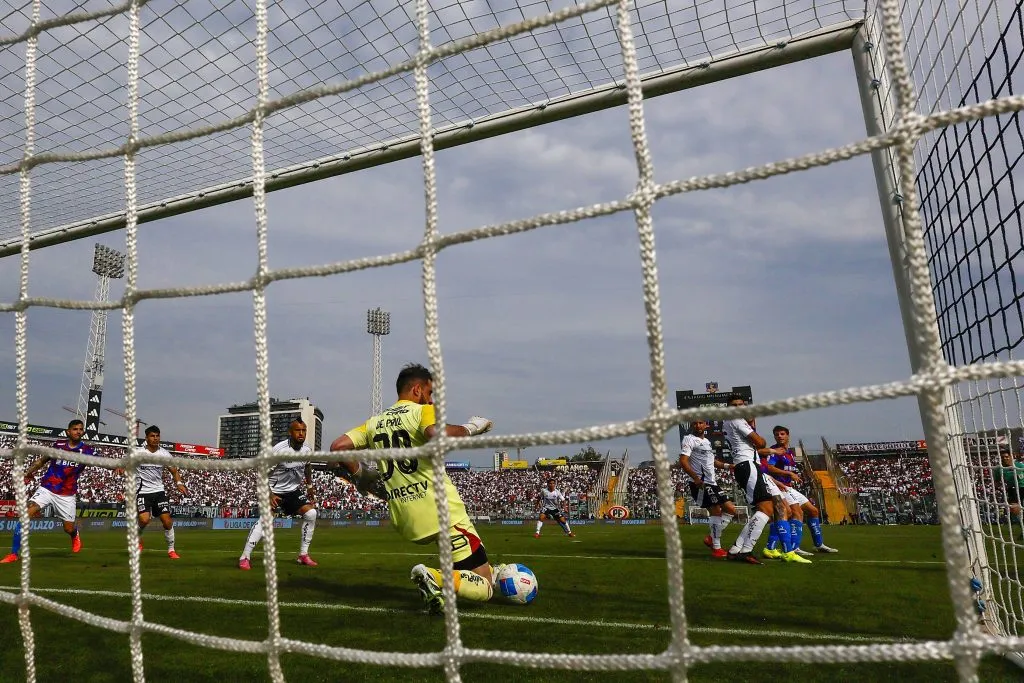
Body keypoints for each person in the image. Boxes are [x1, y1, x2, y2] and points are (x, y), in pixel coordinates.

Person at [330, 362, 496, 614]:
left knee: (473, 570)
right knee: (486, 585)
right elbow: (435, 433)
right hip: (445, 513)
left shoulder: (374, 423)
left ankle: (447, 578)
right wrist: (473, 427)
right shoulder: (422, 412)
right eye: (429, 394)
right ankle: (434, 577)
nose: (431, 401)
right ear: (417, 390)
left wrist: (361, 474)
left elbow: (337, 447)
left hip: (407, 520)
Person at [722, 398, 809, 565]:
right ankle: (747, 550)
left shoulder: (732, 421)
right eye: (735, 406)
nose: (739, 408)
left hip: (752, 466)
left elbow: (757, 446)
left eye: (742, 405)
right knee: (766, 509)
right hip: (747, 465)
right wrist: (762, 441)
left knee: (780, 507)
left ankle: (736, 549)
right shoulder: (736, 419)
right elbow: (760, 442)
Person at [1, 420, 92, 563]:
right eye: (75, 429)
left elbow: (103, 461)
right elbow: (42, 461)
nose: (78, 431)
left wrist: (118, 467)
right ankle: (14, 553)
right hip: (47, 488)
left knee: (68, 528)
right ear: (68, 432)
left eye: (81, 429)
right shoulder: (58, 446)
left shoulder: (87, 451)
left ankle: (74, 534)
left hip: (66, 495)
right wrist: (28, 472)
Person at [238, 419, 319, 569]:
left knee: (311, 514)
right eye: (297, 430)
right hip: (272, 490)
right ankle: (244, 557)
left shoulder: (307, 450)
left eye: (304, 430)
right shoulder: (278, 450)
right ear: (290, 432)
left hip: (292, 491)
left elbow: (308, 466)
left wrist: (309, 486)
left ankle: (303, 555)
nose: (301, 433)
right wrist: (269, 495)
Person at [761, 425, 837, 555]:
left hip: (789, 487)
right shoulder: (774, 451)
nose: (780, 436)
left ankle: (819, 544)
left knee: (813, 511)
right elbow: (768, 467)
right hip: (780, 487)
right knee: (796, 513)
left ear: (788, 436)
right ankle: (794, 547)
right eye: (777, 434)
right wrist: (787, 474)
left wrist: (791, 475)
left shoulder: (790, 453)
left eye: (782, 434)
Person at [126, 425, 187, 559]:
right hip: (142, 491)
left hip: (159, 491)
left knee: (167, 521)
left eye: (157, 436)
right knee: (144, 519)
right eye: (152, 436)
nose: (155, 438)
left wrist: (179, 483)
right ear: (146, 438)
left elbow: (174, 471)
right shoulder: (138, 453)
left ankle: (171, 550)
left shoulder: (164, 454)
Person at [678, 418, 737, 558]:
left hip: (712, 482)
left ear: (706, 425)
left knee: (731, 510)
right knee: (716, 510)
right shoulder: (689, 439)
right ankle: (717, 548)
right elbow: (683, 460)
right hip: (701, 483)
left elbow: (713, 461)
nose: (697, 425)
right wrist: (696, 478)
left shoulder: (707, 442)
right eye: (695, 423)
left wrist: (729, 466)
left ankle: (711, 538)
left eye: (700, 423)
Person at [999, 451, 1024, 537]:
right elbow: (997, 480)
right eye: (1002, 457)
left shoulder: (1019, 465)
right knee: (1014, 510)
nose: (1004, 458)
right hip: (1012, 490)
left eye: (1006, 456)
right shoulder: (1000, 468)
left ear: (1011, 456)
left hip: (1022, 488)